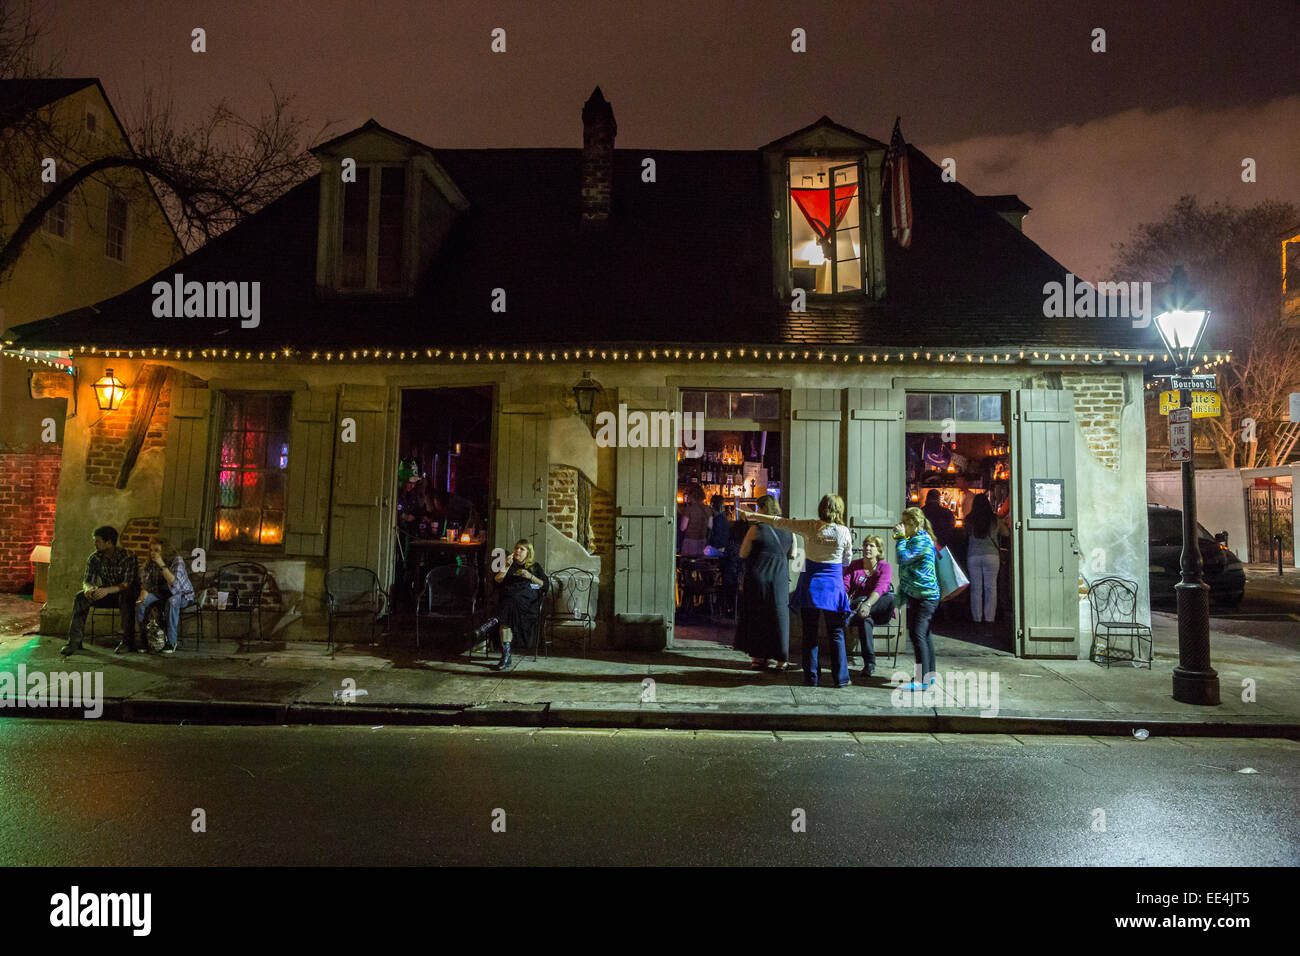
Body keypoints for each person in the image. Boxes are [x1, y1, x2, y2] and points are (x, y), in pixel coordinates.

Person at [743, 493, 853, 687]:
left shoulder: (810, 526)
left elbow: (780, 522)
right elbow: (847, 560)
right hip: (833, 587)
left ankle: (811, 677)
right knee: (836, 633)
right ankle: (841, 678)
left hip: (811, 584)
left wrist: (757, 517)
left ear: (821, 509)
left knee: (810, 633)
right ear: (839, 510)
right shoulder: (843, 531)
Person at [734, 495, 796, 669]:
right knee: (779, 617)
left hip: (758, 576)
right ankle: (781, 659)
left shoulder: (756, 529)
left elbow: (743, 553)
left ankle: (759, 657)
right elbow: (793, 554)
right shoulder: (788, 529)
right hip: (780, 578)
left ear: (762, 509)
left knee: (758, 616)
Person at [60, 525, 140, 656]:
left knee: (126, 597)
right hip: (106, 593)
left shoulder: (127, 556)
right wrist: (88, 589)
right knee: (80, 598)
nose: (95, 544)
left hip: (124, 593)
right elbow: (88, 580)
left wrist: (107, 590)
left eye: (98, 541)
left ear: (109, 542)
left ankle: (127, 642)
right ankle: (74, 642)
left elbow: (127, 584)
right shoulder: (95, 558)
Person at [893, 507, 941, 690]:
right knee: (925, 634)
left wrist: (899, 538)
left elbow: (902, 558)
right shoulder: (916, 538)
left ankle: (921, 680)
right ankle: (930, 676)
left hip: (925, 596)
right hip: (919, 594)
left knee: (917, 634)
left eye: (906, 523)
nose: (903, 526)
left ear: (917, 524)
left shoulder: (921, 540)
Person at [490, 539, 549, 672]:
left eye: (522, 549)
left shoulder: (534, 567)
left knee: (507, 607)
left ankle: (493, 621)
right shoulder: (509, 565)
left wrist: (530, 576)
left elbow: (545, 585)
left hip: (527, 604)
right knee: (508, 609)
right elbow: (496, 582)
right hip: (511, 603)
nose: (517, 551)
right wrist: (506, 565)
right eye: (516, 548)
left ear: (528, 552)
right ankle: (506, 655)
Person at [843, 534, 895, 680]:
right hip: (861, 612)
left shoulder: (885, 567)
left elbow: (881, 587)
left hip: (879, 609)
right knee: (865, 620)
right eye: (866, 545)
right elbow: (844, 586)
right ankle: (869, 664)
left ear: (879, 550)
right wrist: (844, 599)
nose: (867, 548)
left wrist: (867, 604)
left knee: (891, 597)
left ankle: (857, 610)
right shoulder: (854, 565)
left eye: (871, 546)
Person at [136, 536, 195, 653]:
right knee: (140, 604)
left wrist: (161, 563)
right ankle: (144, 640)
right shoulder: (150, 562)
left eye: (156, 550)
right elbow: (146, 583)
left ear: (165, 550)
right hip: (161, 593)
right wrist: (143, 593)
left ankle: (172, 642)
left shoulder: (176, 560)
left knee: (172, 601)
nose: (153, 553)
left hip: (182, 595)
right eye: (151, 550)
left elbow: (174, 585)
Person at [966, 493, 1008, 632]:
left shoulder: (969, 520)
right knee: (991, 588)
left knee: (975, 589)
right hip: (991, 556)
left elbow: (965, 534)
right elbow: (1006, 533)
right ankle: (989, 619)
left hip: (973, 556)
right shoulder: (994, 519)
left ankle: (977, 618)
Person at [677, 485, 712, 557]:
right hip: (702, 541)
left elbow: (683, 527)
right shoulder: (708, 509)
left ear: (691, 496)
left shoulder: (689, 509)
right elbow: (710, 526)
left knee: (688, 565)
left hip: (690, 542)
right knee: (700, 564)